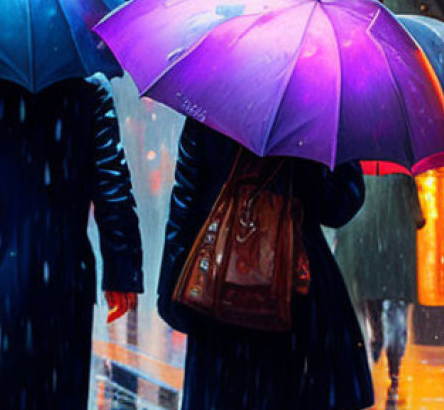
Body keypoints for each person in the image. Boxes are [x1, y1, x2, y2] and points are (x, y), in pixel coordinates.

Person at [0, 75, 144, 409]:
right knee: (51, 393)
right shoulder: (89, 94)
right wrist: (122, 270)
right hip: (61, 280)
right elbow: (113, 187)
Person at [157, 120, 373, 410]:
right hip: (294, 296)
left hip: (220, 291)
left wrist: (172, 286)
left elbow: (186, 198)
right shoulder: (315, 115)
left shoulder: (212, 106)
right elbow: (337, 206)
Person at [335, 170, 425, 406]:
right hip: (396, 252)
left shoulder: (355, 164)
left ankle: (376, 340)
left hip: (365, 247)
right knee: (396, 313)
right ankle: (394, 377)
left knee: (370, 302)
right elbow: (418, 217)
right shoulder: (403, 168)